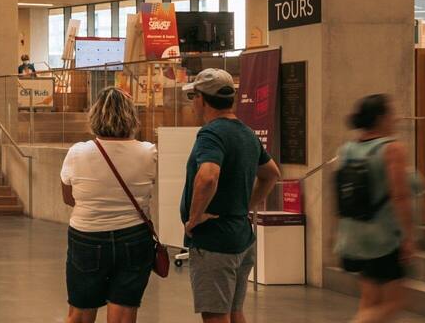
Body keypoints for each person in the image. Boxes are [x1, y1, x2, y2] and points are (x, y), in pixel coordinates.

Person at [178, 68, 282, 323]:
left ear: (201, 99)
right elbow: (271, 174)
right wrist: (245, 206)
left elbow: (208, 176)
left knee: (215, 315)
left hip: (215, 242)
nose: (193, 104)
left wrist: (194, 218)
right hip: (240, 237)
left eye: (194, 97)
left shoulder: (211, 133)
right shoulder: (246, 133)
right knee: (235, 312)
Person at [59, 88, 159, 323]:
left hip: (86, 237)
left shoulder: (77, 153)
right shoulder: (148, 152)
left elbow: (68, 198)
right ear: (131, 117)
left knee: (80, 314)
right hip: (134, 238)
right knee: (123, 314)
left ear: (95, 116)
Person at [336, 95, 420, 323]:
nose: (395, 118)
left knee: (370, 301)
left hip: (354, 234)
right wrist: (408, 236)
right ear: (382, 118)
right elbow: (400, 196)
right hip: (384, 237)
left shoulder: (348, 149)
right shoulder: (392, 149)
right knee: (395, 301)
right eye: (391, 113)